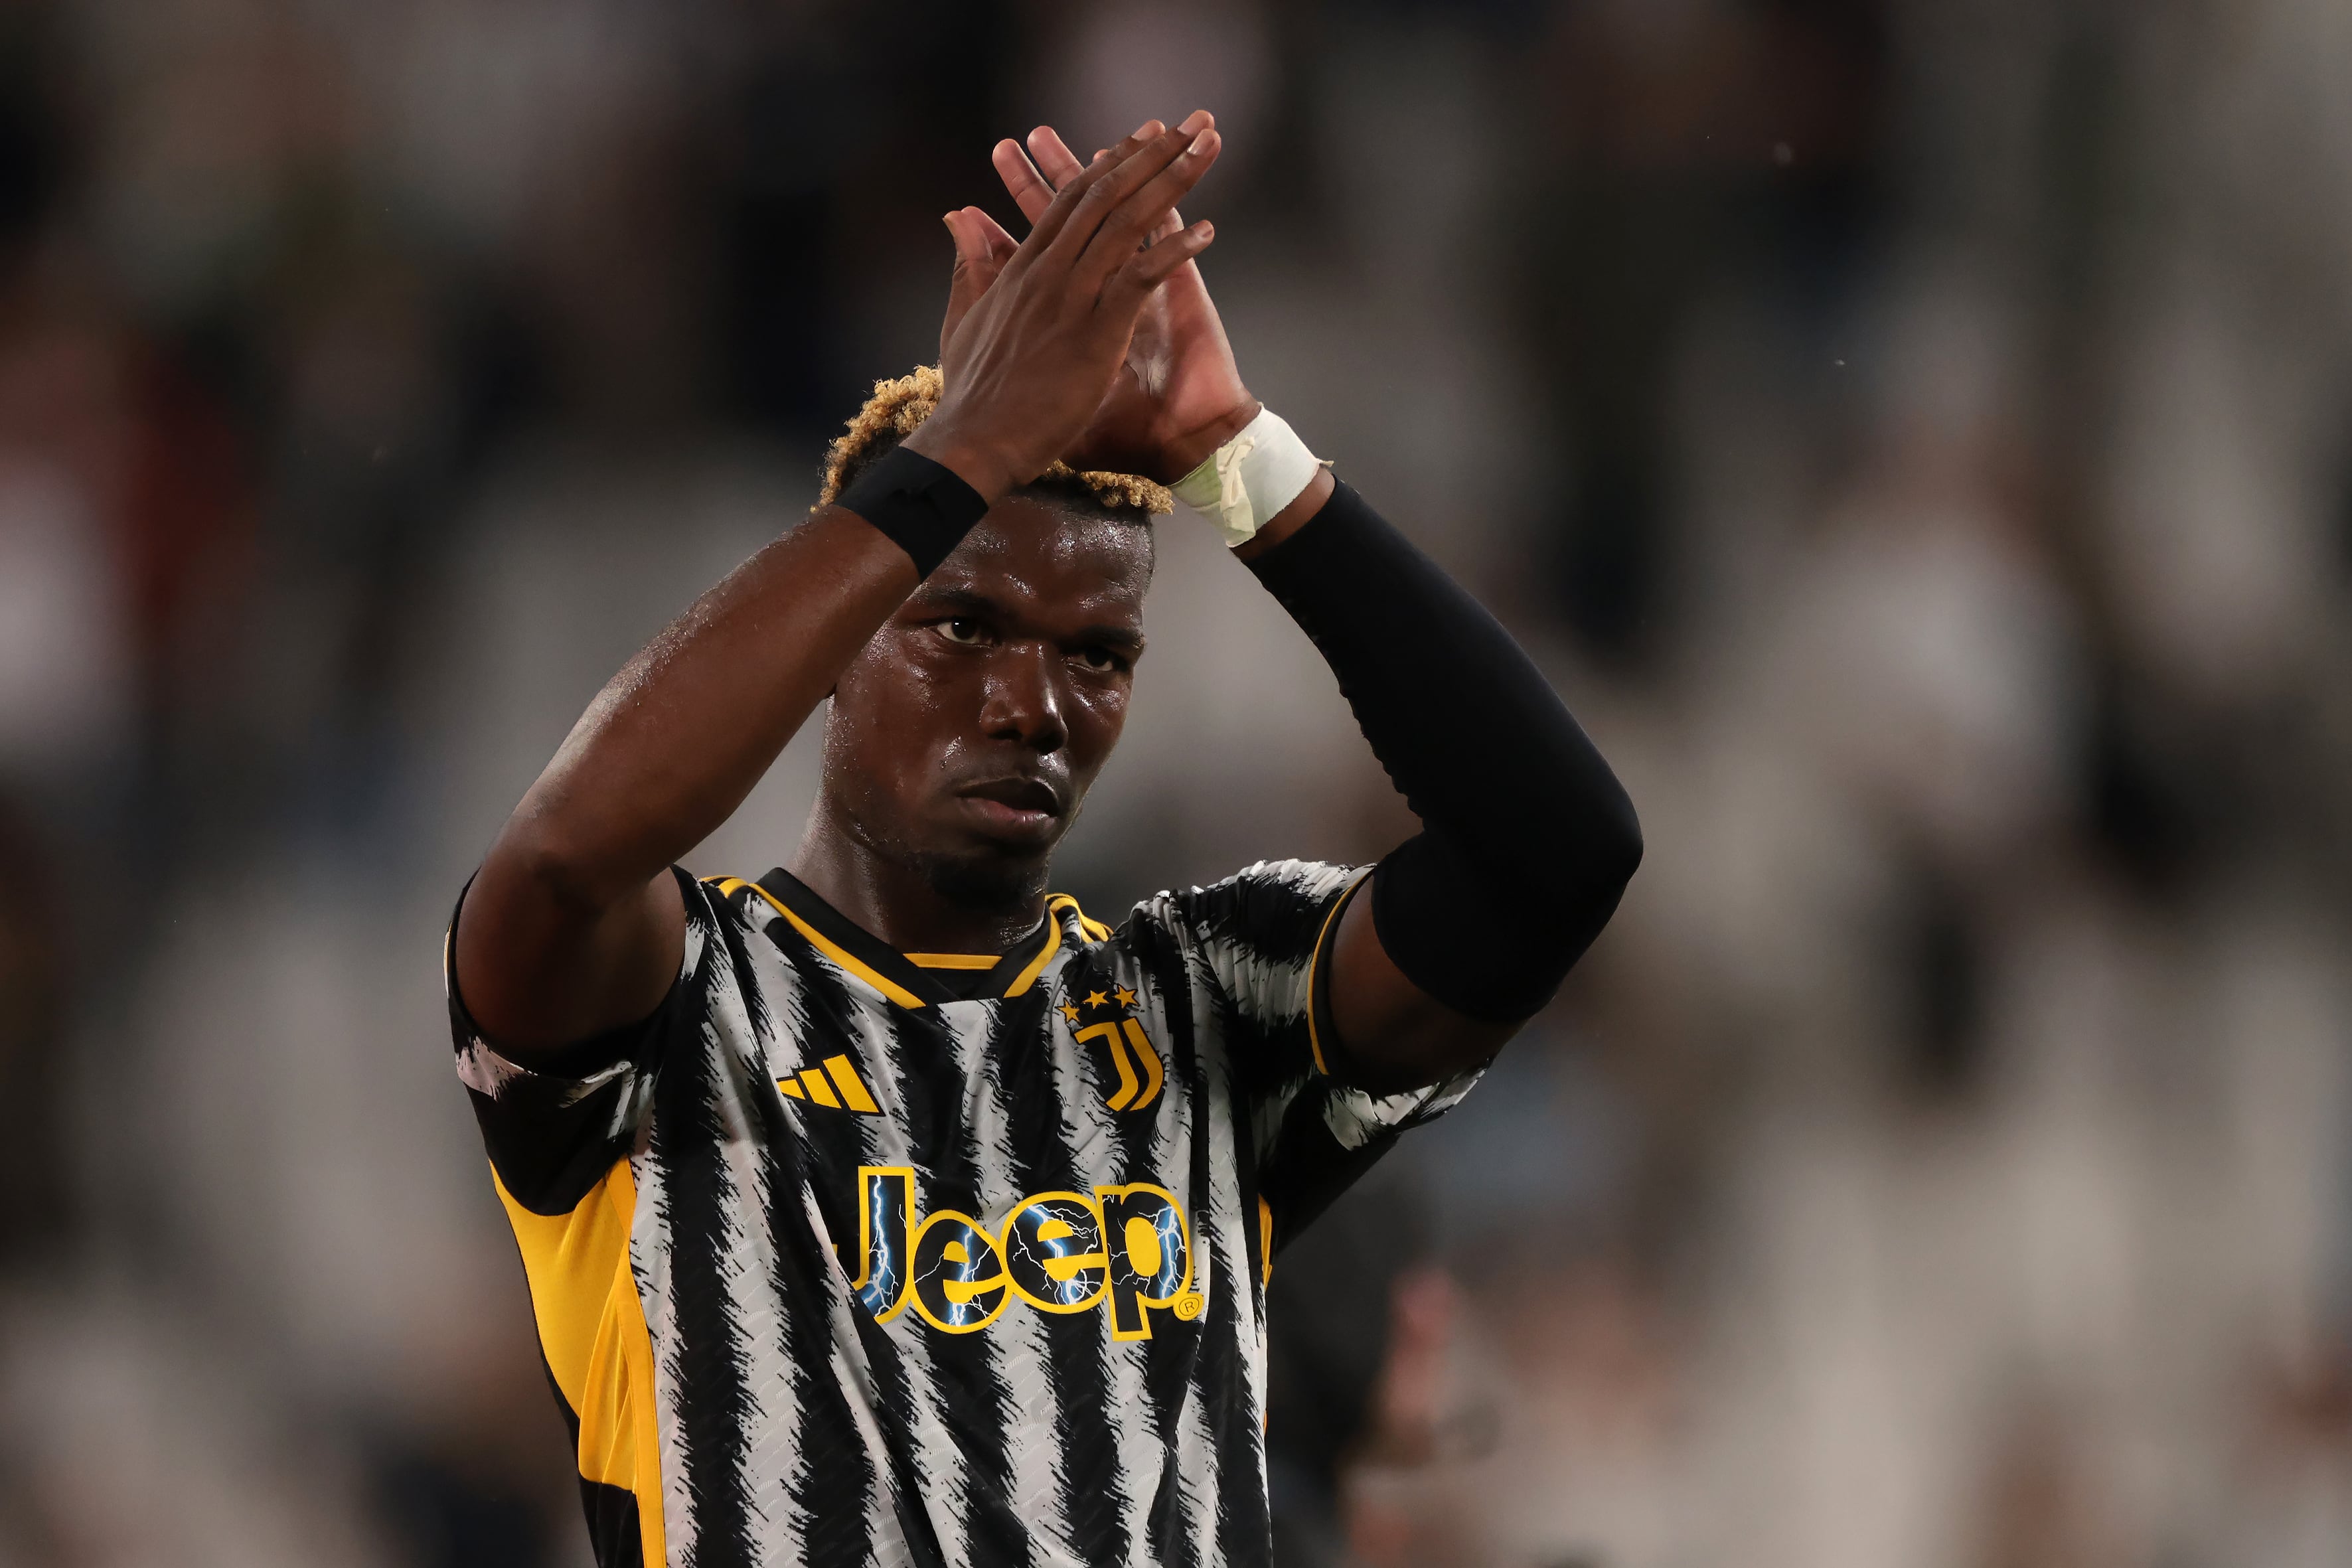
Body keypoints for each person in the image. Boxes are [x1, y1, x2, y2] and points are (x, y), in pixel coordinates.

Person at [446, 112, 1640, 1568]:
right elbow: (557, 860)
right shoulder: (667, 999)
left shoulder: (1206, 1002)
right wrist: (970, 442)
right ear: (834, 647)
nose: (1034, 703)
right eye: (963, 626)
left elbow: (1560, 851)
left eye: (1099, 654)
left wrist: (1231, 455)